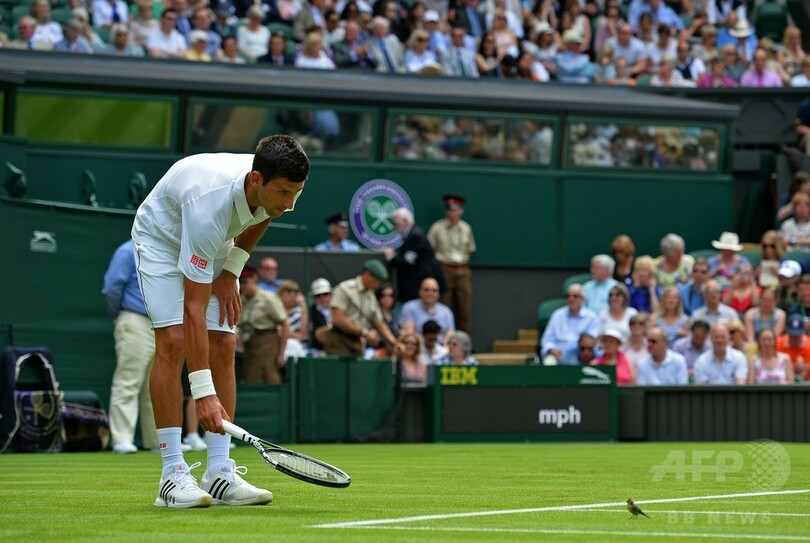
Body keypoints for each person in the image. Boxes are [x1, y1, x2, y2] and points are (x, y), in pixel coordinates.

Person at [131, 134, 310, 508]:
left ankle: (218, 473)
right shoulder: (209, 207)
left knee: (225, 342)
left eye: (296, 193)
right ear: (256, 180)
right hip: (162, 239)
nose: (290, 203)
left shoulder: (273, 189)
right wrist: (203, 394)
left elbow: (265, 214)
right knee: (173, 341)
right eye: (283, 192)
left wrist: (231, 271)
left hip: (214, 245)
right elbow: (193, 310)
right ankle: (172, 474)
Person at [102, 240, 158, 454]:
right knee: (128, 380)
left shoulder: (164, 248)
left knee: (157, 384)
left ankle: (158, 441)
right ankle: (122, 439)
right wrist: (119, 313)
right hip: (134, 318)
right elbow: (111, 288)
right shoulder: (127, 251)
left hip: (162, 324)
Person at [319, 260, 402, 356]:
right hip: (339, 338)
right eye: (376, 280)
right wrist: (364, 333)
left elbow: (379, 323)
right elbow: (338, 318)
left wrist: (394, 342)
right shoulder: (345, 289)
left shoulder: (371, 296)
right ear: (367, 274)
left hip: (358, 341)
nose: (377, 284)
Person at [427, 194, 476, 333]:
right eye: (449, 209)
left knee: (464, 310)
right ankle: (443, 340)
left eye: (455, 209)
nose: (452, 212)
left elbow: (470, 249)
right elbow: (429, 249)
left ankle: (465, 341)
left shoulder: (466, 228)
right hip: (444, 270)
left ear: (461, 211)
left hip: (463, 271)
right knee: (444, 308)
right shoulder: (437, 228)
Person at [382, 207, 446, 304]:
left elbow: (407, 262)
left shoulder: (415, 236)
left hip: (420, 285)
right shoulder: (412, 234)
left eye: (396, 223)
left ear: (406, 222)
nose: (393, 226)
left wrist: (391, 258)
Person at [237, 267, 289, 384]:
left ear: (254, 279)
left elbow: (285, 324)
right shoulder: (242, 300)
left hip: (267, 342)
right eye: (240, 282)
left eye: (245, 282)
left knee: (270, 376)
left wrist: (281, 353)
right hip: (249, 344)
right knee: (251, 378)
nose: (243, 286)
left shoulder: (267, 298)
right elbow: (240, 326)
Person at [539, 283, 600, 365]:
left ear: (582, 299)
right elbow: (547, 339)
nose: (571, 299)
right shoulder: (557, 315)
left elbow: (592, 340)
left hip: (581, 353)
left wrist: (574, 351)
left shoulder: (592, 317)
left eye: (575, 296)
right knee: (549, 362)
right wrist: (551, 350)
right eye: (569, 296)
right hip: (558, 354)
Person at [399, 277, 455, 344]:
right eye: (426, 290)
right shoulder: (409, 308)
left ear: (438, 293)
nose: (430, 293)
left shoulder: (446, 312)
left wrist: (444, 348)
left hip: (440, 347)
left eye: (434, 290)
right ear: (420, 291)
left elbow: (450, 334)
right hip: (417, 346)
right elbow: (409, 333)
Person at [278, 280, 309, 359]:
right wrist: (296, 335)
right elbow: (279, 333)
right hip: (279, 345)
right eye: (288, 291)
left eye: (295, 292)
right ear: (281, 293)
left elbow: (304, 335)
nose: (292, 294)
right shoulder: (276, 311)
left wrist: (303, 305)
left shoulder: (299, 312)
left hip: (298, 347)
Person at [776, 314, 810, 381]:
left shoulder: (808, 344)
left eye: (797, 335)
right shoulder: (778, 343)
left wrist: (804, 367)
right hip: (783, 380)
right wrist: (790, 367)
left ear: (803, 332)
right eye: (792, 335)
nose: (795, 338)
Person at [308, 278, 332, 355]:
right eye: (318, 296)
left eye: (325, 294)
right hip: (318, 351)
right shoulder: (310, 313)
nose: (322, 298)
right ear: (313, 297)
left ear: (331, 294)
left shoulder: (339, 311)